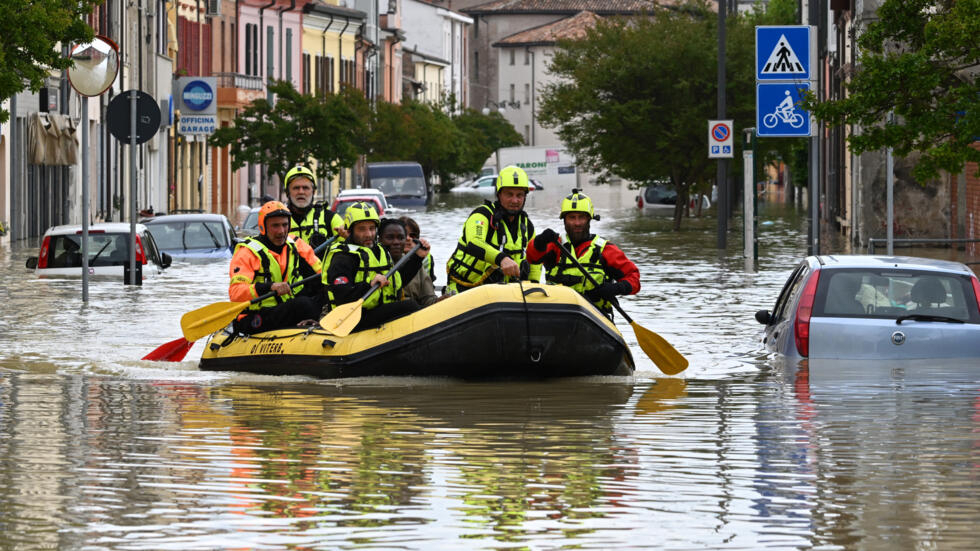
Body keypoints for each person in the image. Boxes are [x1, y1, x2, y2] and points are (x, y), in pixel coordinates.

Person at [525, 189, 640, 318]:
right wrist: (539, 241)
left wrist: (616, 288)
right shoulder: (554, 245)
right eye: (572, 218)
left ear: (589, 219)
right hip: (558, 314)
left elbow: (634, 278)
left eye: (582, 217)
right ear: (564, 220)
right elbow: (532, 257)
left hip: (595, 317)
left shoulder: (606, 250)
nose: (577, 223)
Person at [323, 202, 431, 331]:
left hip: (378, 310)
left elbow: (397, 281)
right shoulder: (342, 257)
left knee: (408, 307)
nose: (368, 234)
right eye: (362, 229)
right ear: (350, 231)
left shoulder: (380, 251)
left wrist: (418, 258)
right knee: (410, 306)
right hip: (351, 318)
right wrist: (369, 284)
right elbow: (342, 294)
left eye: (372, 228)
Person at [228, 201, 324, 334]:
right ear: (263, 227)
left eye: (285, 225)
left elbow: (322, 276)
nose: (281, 231)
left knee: (323, 295)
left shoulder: (296, 244)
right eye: (275, 226)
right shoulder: (247, 252)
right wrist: (270, 287)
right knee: (303, 305)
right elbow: (235, 293)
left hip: (284, 308)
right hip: (255, 316)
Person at [445, 165, 541, 294]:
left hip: (502, 294)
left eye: (520, 195)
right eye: (509, 194)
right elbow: (474, 243)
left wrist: (533, 285)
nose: (515, 200)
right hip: (464, 289)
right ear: (499, 194)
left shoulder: (527, 226)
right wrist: (502, 259)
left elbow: (534, 259)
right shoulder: (481, 215)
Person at [282, 165, 345, 253]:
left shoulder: (330, 218)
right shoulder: (278, 220)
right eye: (296, 188)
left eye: (305, 188)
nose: (301, 192)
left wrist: (348, 236)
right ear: (287, 192)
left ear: (313, 191)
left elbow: (349, 247)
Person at [380, 218, 441, 307]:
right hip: (393, 311)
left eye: (401, 237)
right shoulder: (375, 261)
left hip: (416, 313)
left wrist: (443, 300)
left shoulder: (419, 263)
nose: (408, 239)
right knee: (411, 305)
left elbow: (429, 299)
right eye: (391, 237)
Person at [400, 215, 436, 285]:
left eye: (412, 235)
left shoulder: (427, 257)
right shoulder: (388, 256)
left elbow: (429, 286)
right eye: (403, 234)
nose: (408, 238)